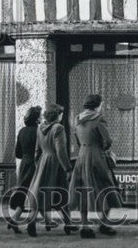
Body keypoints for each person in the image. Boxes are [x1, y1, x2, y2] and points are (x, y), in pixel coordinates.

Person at [68, 94, 122, 238]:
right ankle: (103, 223)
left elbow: (76, 139)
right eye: (101, 104)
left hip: (82, 155)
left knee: (82, 190)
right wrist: (103, 147)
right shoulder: (99, 118)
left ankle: (84, 226)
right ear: (97, 105)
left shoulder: (77, 119)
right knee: (105, 187)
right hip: (97, 155)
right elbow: (108, 140)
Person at [24, 104, 78, 237]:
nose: (62, 116)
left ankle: (31, 223)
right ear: (57, 115)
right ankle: (68, 224)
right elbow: (60, 151)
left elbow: (37, 150)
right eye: (61, 114)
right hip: (56, 164)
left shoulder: (40, 128)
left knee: (40, 194)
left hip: (43, 162)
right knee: (62, 194)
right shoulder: (58, 128)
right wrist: (68, 168)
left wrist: (39, 164)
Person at [6, 106, 41, 234]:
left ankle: (14, 219)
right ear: (36, 119)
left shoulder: (22, 131)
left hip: (24, 165)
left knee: (24, 192)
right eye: (40, 116)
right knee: (35, 193)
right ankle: (31, 224)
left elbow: (18, 153)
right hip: (35, 164)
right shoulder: (39, 132)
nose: (41, 118)